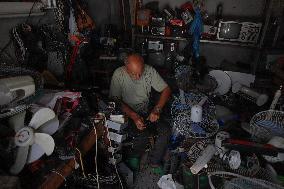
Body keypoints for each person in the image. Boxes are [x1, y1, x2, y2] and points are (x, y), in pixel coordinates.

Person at [109, 53, 172, 174]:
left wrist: (157, 109)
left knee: (165, 130)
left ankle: (155, 161)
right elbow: (115, 100)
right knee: (142, 133)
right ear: (126, 68)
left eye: (140, 72)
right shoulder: (119, 74)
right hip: (126, 112)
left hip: (145, 109)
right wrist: (134, 116)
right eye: (133, 74)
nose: (138, 77)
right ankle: (134, 156)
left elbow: (166, 89)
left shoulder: (149, 71)